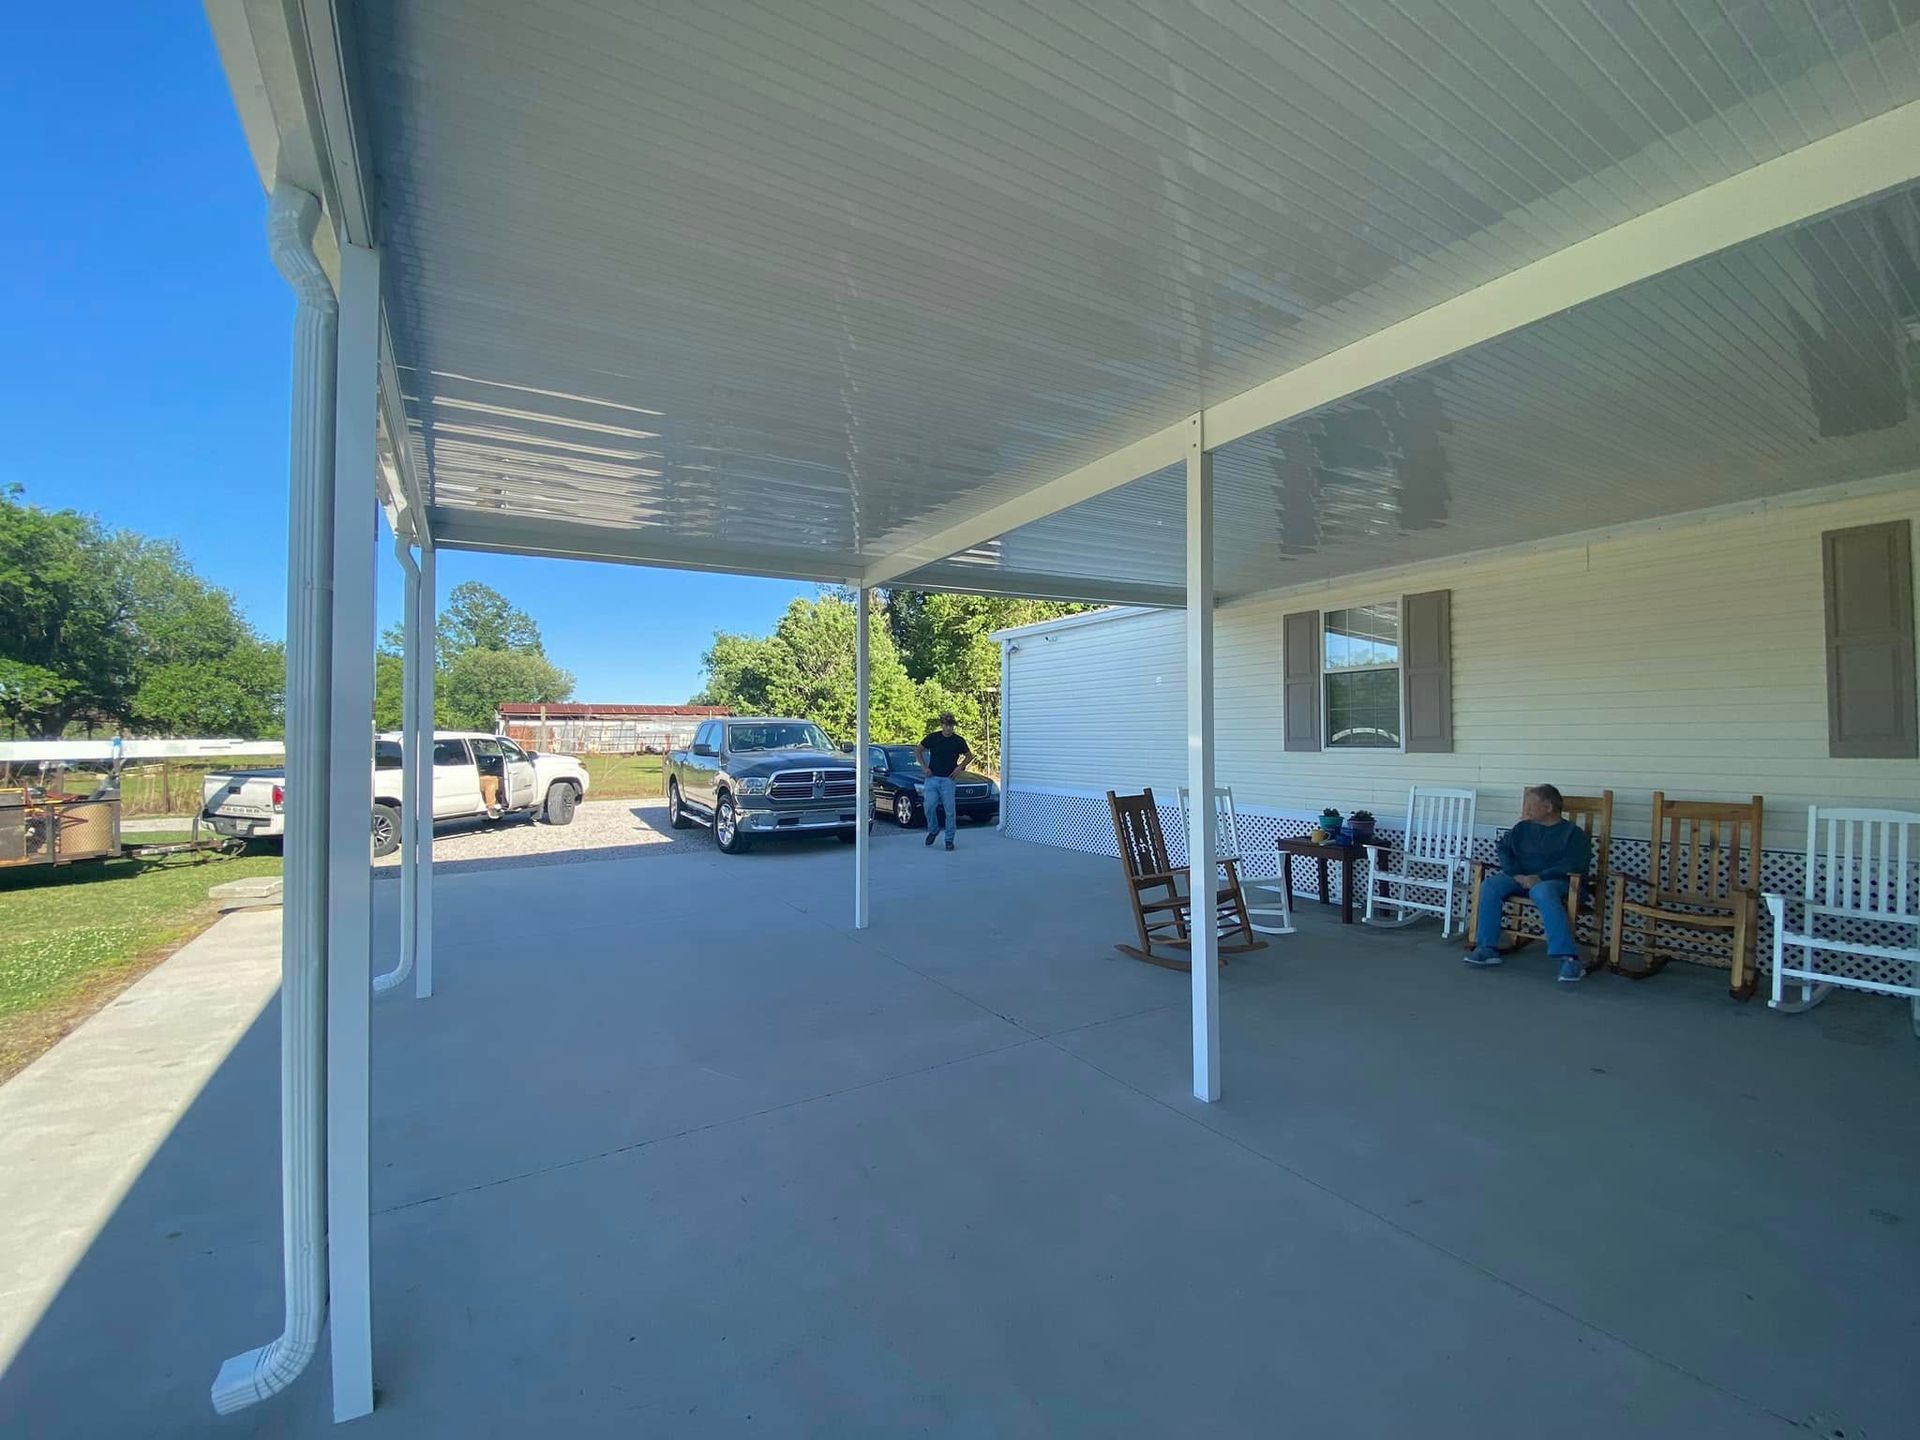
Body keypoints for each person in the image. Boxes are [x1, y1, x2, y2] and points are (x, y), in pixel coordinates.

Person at [1464, 783, 1592, 983]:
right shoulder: (1522, 828)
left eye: (1530, 805)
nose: (1526, 810)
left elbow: (1575, 863)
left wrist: (1540, 877)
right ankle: (1487, 948)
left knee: (1541, 891)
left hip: (1558, 883)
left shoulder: (1572, 834)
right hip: (1521, 878)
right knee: (1491, 886)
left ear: (1548, 807)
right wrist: (1515, 874)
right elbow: (1504, 849)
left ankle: (1568, 958)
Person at [916, 712, 972, 851]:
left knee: (950, 811)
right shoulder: (933, 738)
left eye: (951, 726)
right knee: (929, 806)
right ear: (942, 725)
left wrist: (959, 768)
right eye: (946, 725)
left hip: (948, 779)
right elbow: (918, 750)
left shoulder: (958, 740)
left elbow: (969, 756)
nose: (949, 728)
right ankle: (933, 830)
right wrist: (924, 767)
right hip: (932, 778)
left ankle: (949, 840)